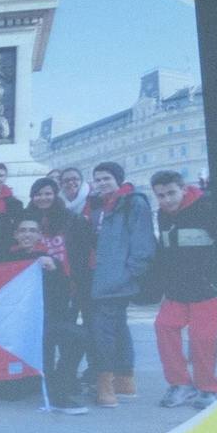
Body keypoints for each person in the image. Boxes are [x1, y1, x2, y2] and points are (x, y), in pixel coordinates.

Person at [150, 170, 217, 409]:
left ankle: (208, 388)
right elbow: (166, 250)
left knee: (202, 338)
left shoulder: (208, 208)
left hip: (206, 288)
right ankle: (180, 384)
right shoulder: (163, 214)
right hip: (176, 289)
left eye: (171, 193)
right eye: (161, 195)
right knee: (164, 327)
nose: (167, 200)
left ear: (184, 189)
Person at [83, 162, 154, 407]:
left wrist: (128, 273)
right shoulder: (98, 204)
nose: (102, 183)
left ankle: (105, 383)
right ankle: (125, 380)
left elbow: (143, 243)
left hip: (116, 277)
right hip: (99, 275)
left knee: (103, 331)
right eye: (98, 179)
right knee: (118, 327)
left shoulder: (133, 202)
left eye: (106, 178)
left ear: (118, 179)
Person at [11, 218, 87, 414]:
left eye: (32, 231)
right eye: (23, 230)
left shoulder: (50, 261)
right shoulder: (6, 260)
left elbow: (63, 296)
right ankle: (50, 388)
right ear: (16, 235)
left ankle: (59, 385)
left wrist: (55, 272)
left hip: (45, 321)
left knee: (78, 336)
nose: (27, 234)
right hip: (14, 324)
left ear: (39, 235)